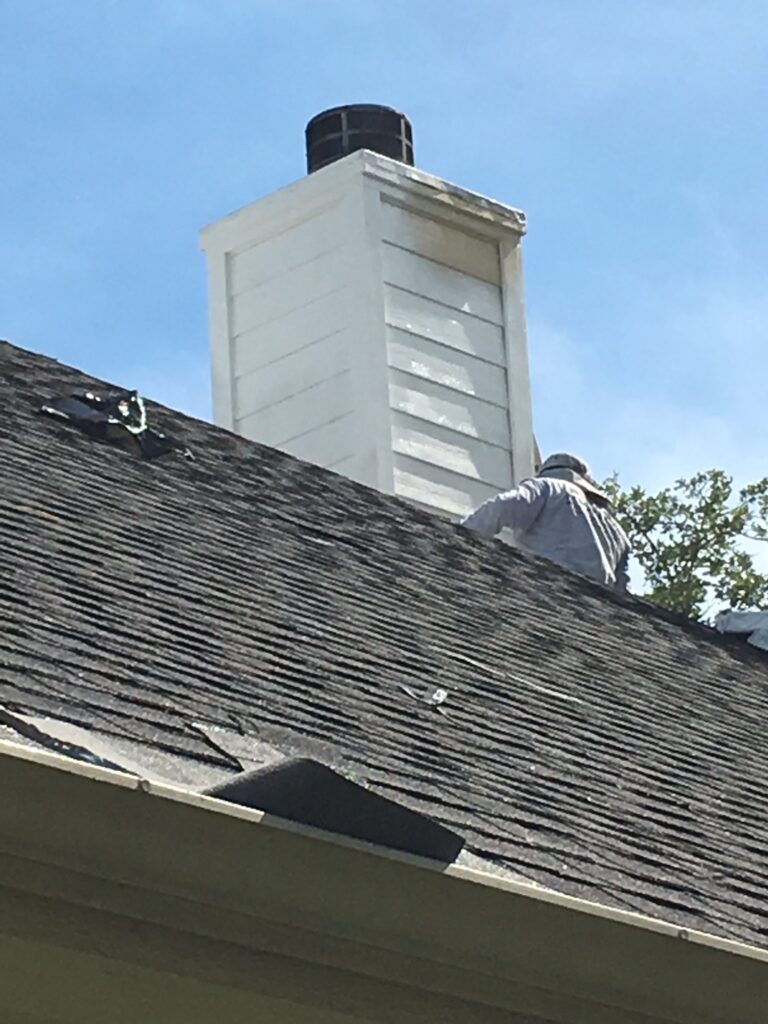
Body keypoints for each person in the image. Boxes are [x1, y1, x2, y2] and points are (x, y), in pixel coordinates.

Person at [460, 453, 630, 591]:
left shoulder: (548, 487)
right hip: (597, 606)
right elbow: (623, 590)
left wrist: (459, 539)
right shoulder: (617, 530)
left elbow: (501, 508)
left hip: (551, 589)